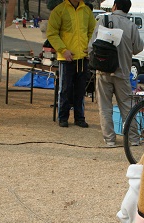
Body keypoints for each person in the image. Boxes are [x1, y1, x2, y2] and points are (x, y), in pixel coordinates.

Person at [88, 0, 144, 146]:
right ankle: (133, 139)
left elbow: (91, 46)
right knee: (127, 107)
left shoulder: (103, 20)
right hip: (123, 71)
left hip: (103, 71)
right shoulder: (132, 26)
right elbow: (138, 48)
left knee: (105, 107)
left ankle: (109, 139)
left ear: (114, 6)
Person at [47, 0, 96, 128]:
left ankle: (79, 118)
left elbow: (93, 30)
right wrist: (63, 50)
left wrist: (89, 46)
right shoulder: (59, 10)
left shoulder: (86, 11)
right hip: (66, 58)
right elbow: (52, 34)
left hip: (82, 57)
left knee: (80, 90)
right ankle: (63, 117)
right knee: (65, 89)